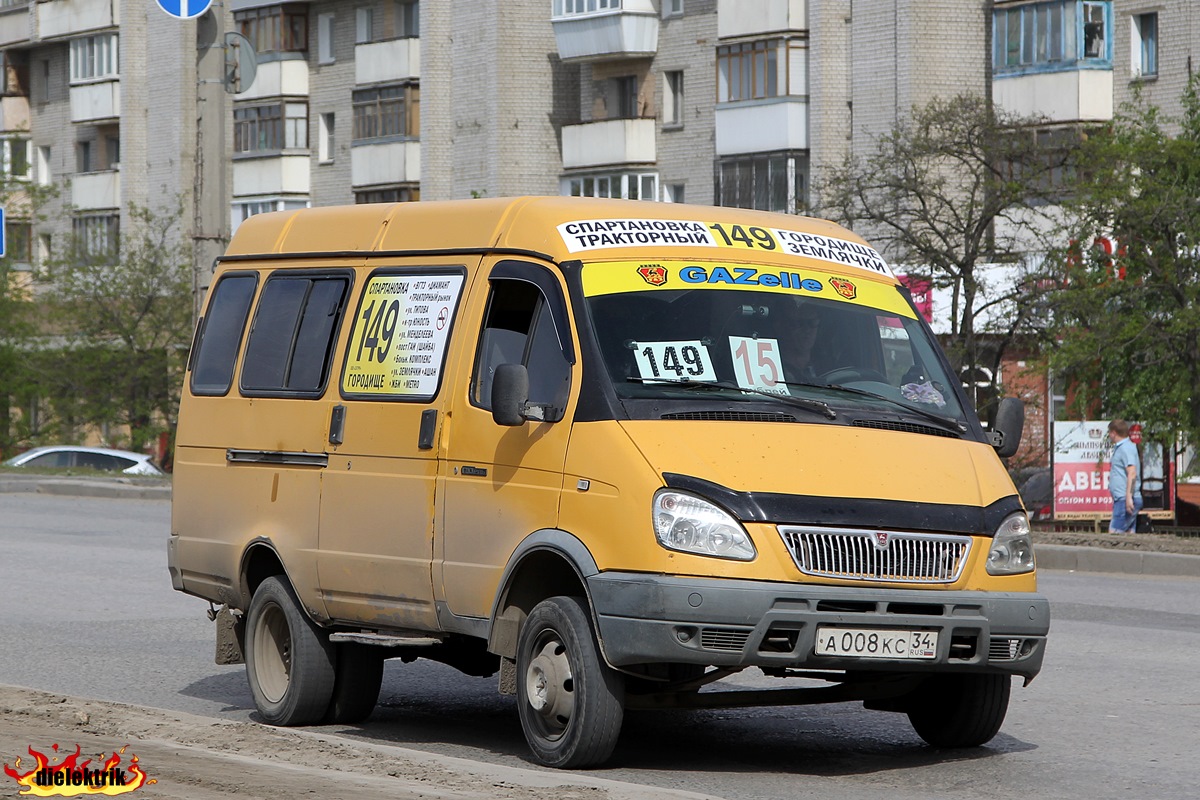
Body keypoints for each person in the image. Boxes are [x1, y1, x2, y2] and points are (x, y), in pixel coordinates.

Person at [1107, 419, 1143, 533]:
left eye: (1109, 433)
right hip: (1123, 499)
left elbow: (1132, 473)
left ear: (1113, 433)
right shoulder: (1122, 447)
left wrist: (1129, 497)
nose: (1109, 435)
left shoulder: (1126, 448)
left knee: (1114, 534)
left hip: (1125, 500)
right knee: (1128, 536)